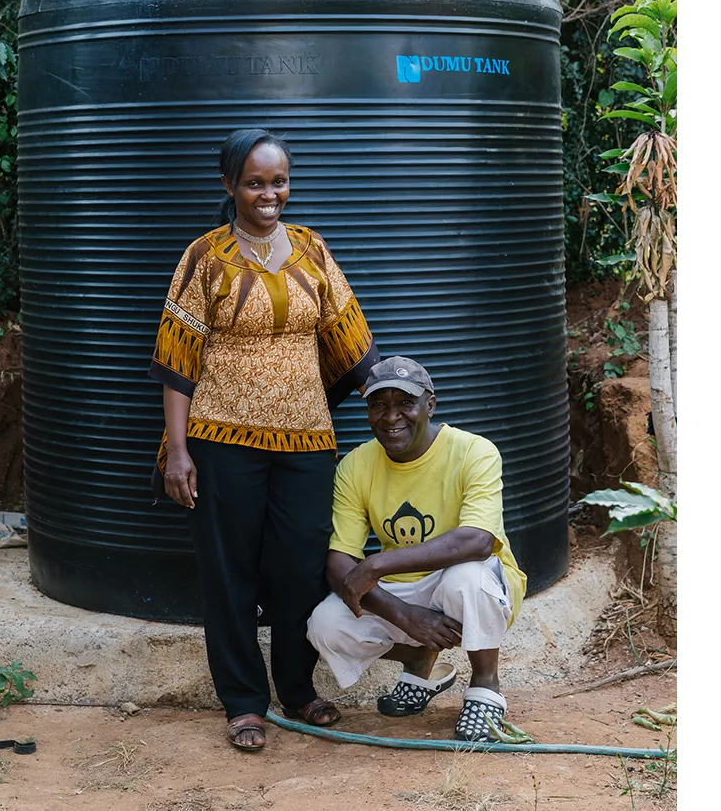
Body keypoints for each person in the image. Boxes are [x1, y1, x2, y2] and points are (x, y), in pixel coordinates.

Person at [152, 127, 378, 752]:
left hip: (307, 440)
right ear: (230, 186)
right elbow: (177, 360)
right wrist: (178, 452)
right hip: (221, 438)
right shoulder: (206, 256)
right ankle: (245, 703)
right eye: (255, 182)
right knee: (229, 572)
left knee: (301, 568)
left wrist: (389, 399)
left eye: (278, 181)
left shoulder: (311, 249)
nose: (269, 193)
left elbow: (350, 339)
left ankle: (298, 690)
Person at [306, 355, 527, 741]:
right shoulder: (355, 466)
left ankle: (485, 687)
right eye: (379, 405)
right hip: (405, 588)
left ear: (430, 404)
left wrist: (376, 564)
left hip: (476, 579)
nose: (391, 417)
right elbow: (340, 564)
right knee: (324, 626)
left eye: (405, 403)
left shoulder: (475, 452)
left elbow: (476, 540)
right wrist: (405, 616)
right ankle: (417, 658)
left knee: (467, 578)